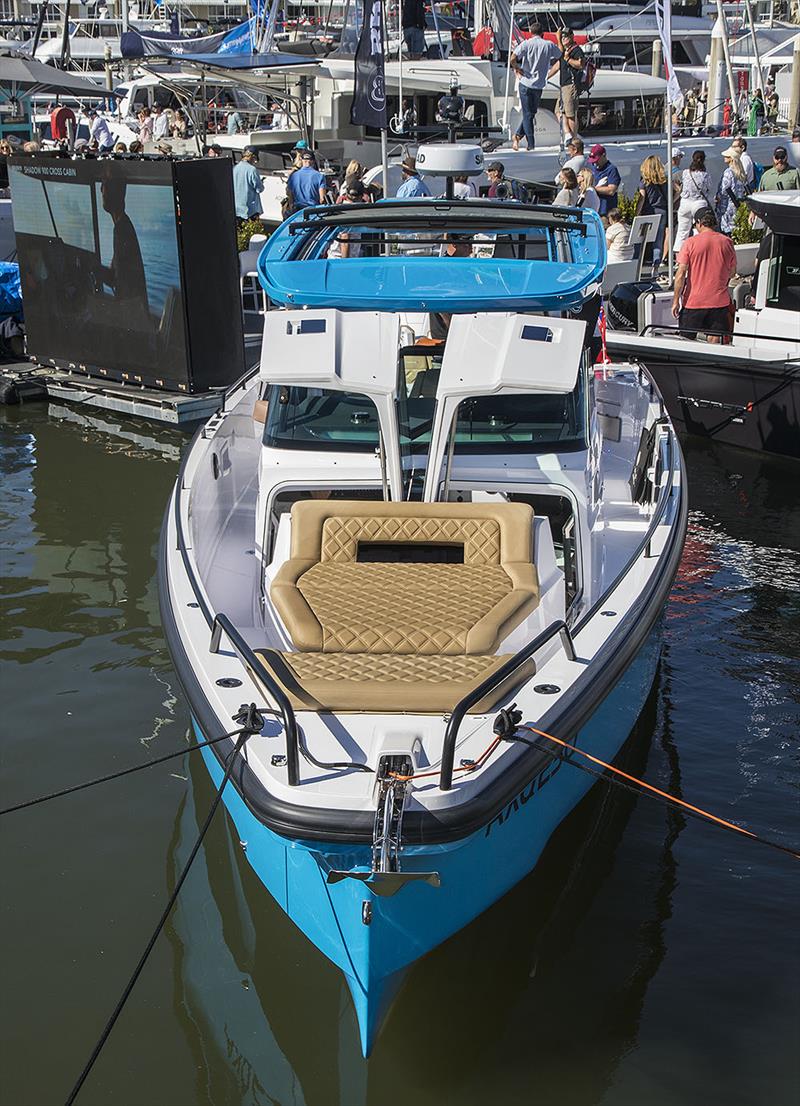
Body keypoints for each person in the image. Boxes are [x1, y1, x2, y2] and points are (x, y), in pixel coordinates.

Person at [672, 207, 736, 343]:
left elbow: (681, 274)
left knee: (686, 342)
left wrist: (675, 300)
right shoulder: (727, 242)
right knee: (714, 341)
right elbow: (732, 272)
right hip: (719, 301)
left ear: (699, 223)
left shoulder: (690, 243)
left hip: (693, 301)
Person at [98, 171, 149, 327]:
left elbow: (119, 281)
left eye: (105, 187)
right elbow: (116, 276)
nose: (102, 192)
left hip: (131, 314)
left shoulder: (122, 229)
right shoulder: (122, 225)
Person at [509, 22, 560, 151]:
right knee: (529, 114)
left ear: (531, 32)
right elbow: (560, 55)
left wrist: (517, 68)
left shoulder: (526, 44)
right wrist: (558, 38)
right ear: (542, 33)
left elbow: (512, 58)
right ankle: (530, 144)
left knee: (529, 114)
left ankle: (517, 136)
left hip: (525, 83)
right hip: (539, 85)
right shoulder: (548, 45)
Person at [548, 27, 585, 144]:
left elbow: (580, 64)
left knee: (570, 114)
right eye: (562, 37)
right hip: (563, 86)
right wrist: (546, 76)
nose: (564, 39)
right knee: (559, 111)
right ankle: (568, 134)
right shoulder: (564, 50)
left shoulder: (576, 50)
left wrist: (568, 59)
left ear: (572, 37)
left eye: (566, 37)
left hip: (571, 85)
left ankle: (574, 140)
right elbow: (558, 64)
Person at [674, 149, 712, 252]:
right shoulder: (706, 175)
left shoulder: (686, 173)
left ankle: (678, 256)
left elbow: (677, 182)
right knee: (698, 229)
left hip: (685, 202)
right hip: (699, 202)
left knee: (682, 230)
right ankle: (697, 251)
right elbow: (708, 189)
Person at [637, 155, 668, 267]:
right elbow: (675, 192)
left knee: (642, 238)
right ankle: (656, 263)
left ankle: (640, 262)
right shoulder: (664, 181)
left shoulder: (644, 181)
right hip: (662, 210)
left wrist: (637, 213)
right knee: (658, 239)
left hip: (648, 211)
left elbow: (642, 197)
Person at [327, 180, 363, 258]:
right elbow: (344, 240)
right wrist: (345, 265)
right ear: (361, 197)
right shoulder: (351, 212)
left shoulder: (342, 209)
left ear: (346, 194)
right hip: (340, 260)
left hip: (337, 259)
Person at [716, 148, 748, 234]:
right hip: (737, 207)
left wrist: (717, 198)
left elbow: (723, 190)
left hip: (726, 207)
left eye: (727, 156)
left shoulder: (728, 172)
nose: (724, 157)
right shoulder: (740, 172)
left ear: (731, 158)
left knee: (725, 231)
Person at [587, 144, 620, 218]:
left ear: (604, 155)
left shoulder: (611, 169)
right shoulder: (593, 168)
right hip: (593, 211)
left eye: (597, 160)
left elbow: (611, 190)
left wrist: (593, 188)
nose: (595, 163)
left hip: (605, 213)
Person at [233, 147, 265, 222]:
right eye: (255, 160)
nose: (255, 162)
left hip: (237, 210)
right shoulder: (252, 169)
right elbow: (259, 189)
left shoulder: (235, 168)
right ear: (252, 157)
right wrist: (261, 182)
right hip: (250, 211)